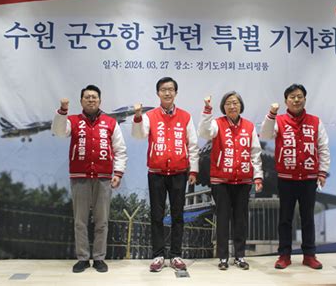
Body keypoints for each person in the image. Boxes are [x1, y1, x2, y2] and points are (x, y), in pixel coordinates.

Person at [52, 84, 127, 273]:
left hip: (103, 178)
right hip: (80, 178)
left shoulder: (110, 123)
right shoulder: (73, 120)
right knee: (80, 221)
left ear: (100, 100)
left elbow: (120, 150)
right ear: (81, 101)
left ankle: (99, 258)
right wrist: (62, 110)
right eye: (87, 97)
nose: (91, 99)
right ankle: (83, 258)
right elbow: (59, 131)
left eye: (94, 97)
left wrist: (117, 174)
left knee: (102, 221)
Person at [131, 77, 199, 272]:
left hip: (179, 173)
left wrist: (193, 169)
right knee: (156, 216)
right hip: (156, 173)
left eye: (170, 89)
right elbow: (138, 135)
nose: (167, 93)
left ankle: (176, 255)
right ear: (158, 93)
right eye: (163, 90)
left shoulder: (185, 116)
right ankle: (158, 255)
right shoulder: (150, 115)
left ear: (176, 93)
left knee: (178, 215)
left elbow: (192, 144)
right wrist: (137, 116)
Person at [259, 83, 330, 270]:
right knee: (285, 218)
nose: (296, 100)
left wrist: (322, 172)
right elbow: (265, 134)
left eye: (299, 96)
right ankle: (284, 255)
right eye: (292, 97)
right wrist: (272, 114)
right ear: (285, 101)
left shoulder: (315, 121)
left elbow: (323, 147)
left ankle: (309, 255)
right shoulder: (279, 120)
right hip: (286, 177)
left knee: (308, 218)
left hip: (308, 178)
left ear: (305, 99)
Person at [198, 92, 264, 271]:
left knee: (240, 220)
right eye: (228, 103)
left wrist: (257, 176)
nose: (232, 106)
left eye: (235, 103)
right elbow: (203, 132)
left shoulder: (249, 126)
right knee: (223, 219)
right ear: (223, 107)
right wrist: (206, 111)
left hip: (243, 181)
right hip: (221, 180)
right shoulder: (216, 124)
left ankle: (240, 255)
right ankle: (223, 257)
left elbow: (255, 153)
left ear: (241, 105)